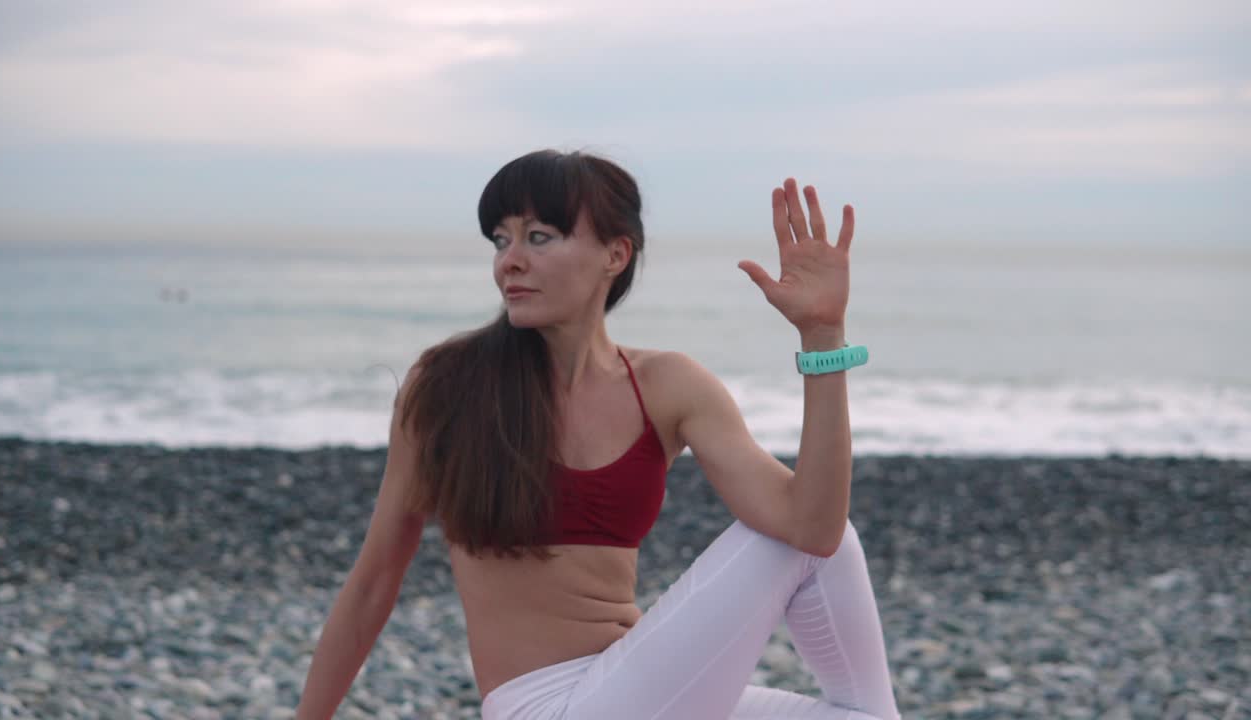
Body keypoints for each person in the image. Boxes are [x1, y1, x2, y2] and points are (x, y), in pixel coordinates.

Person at [296, 149, 902, 719]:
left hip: (638, 691)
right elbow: (374, 581)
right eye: (501, 239)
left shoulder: (667, 385)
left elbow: (814, 531)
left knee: (831, 556)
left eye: (539, 237)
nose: (510, 261)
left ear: (615, 254)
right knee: (787, 534)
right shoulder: (447, 386)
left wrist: (822, 333)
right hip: (542, 707)